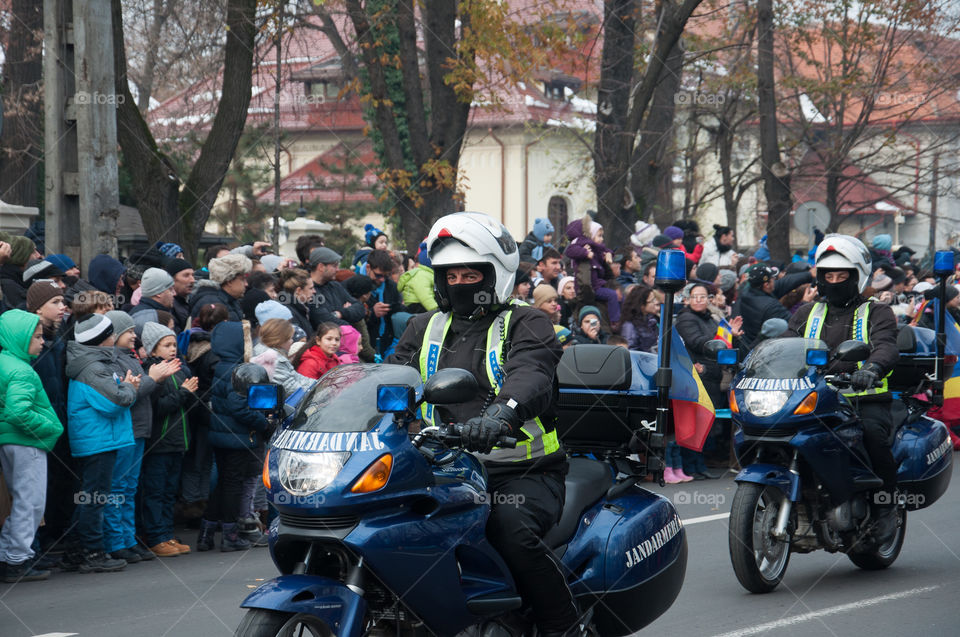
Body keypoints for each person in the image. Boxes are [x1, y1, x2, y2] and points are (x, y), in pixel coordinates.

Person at [388, 212, 582, 637]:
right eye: (451, 274)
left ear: (494, 275)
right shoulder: (423, 326)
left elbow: (530, 372)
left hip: (521, 471)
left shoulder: (527, 321)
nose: (460, 282)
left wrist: (499, 414)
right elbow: (389, 380)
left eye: (470, 273)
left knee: (508, 529)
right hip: (439, 470)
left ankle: (560, 626)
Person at [787, 234, 901, 543]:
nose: (834, 281)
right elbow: (781, 346)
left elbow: (886, 346)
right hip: (815, 398)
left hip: (863, 398)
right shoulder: (806, 312)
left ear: (857, 276)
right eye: (828, 275)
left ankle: (884, 507)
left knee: (874, 438)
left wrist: (873, 369)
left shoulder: (876, 311)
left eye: (841, 275)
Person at [63, 314, 138, 573]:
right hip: (99, 441)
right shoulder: (94, 368)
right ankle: (92, 552)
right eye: (110, 333)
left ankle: (75, 549)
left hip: (97, 439)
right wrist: (130, 386)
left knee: (90, 496)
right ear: (103, 339)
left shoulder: (90, 364)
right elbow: (115, 401)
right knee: (95, 498)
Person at [0, 309, 64, 582]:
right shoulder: (21, 371)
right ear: (20, 338)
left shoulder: (5, 362)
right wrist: (52, 427)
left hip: (11, 440)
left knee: (20, 500)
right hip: (26, 441)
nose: (42, 342)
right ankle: (16, 559)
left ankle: (9, 554)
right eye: (37, 337)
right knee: (31, 502)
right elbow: (18, 413)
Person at [101, 311, 165, 565]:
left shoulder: (130, 358)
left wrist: (153, 380)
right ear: (114, 335)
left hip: (138, 430)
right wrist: (154, 378)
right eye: (128, 331)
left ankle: (128, 539)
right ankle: (115, 541)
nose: (134, 335)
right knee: (118, 487)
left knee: (129, 488)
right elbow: (129, 395)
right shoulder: (114, 361)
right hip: (127, 430)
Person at [199, 321, 269, 552]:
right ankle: (229, 535)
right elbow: (239, 408)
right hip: (237, 437)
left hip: (221, 435)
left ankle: (206, 533)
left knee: (223, 485)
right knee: (233, 486)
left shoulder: (222, 366)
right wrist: (264, 424)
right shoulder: (238, 370)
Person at [140, 323, 199, 557]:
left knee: (169, 492)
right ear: (153, 350)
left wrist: (191, 394)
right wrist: (184, 393)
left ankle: (166, 534)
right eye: (166, 345)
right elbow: (158, 407)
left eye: (174, 344)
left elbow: (188, 404)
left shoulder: (180, 369)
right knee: (155, 491)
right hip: (160, 442)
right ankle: (155, 536)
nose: (173, 349)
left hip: (178, 441)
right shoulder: (152, 372)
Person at [738, 264, 792, 347]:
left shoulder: (746, 295)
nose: (775, 281)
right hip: (764, 348)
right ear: (766, 285)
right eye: (773, 279)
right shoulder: (771, 306)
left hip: (750, 343)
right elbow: (792, 324)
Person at [190, 254, 251, 321]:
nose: (246, 284)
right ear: (229, 281)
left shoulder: (231, 300)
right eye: (243, 279)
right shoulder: (212, 304)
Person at [397, 243, 437, 313]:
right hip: (416, 305)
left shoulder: (427, 273)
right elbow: (425, 296)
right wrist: (436, 310)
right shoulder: (421, 275)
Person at [619, 286, 660, 353]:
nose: (656, 302)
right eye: (652, 300)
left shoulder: (650, 321)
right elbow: (631, 352)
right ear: (642, 305)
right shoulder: (629, 326)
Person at [165, 259, 195, 332]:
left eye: (193, 275)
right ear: (172, 279)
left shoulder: (193, 300)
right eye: (186, 275)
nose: (192, 280)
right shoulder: (168, 304)